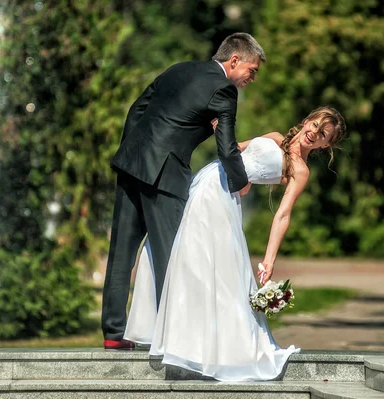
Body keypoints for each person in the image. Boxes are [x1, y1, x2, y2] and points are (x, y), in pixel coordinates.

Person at [125, 106, 347, 381]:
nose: (314, 133)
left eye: (323, 133)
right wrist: (231, 153)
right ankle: (178, 335)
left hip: (224, 198)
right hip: (209, 179)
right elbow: (235, 150)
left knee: (215, 268)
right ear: (306, 121)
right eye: (314, 124)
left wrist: (269, 260)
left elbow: (283, 214)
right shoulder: (276, 137)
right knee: (188, 256)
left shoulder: (300, 171)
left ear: (327, 144)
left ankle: (206, 346)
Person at [102, 33, 266, 350]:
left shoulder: (179, 68)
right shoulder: (224, 90)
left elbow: (137, 109)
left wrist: (131, 151)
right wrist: (240, 181)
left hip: (132, 163)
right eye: (252, 70)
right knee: (171, 254)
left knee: (122, 252)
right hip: (166, 174)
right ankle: (173, 337)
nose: (251, 78)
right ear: (235, 60)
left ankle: (113, 333)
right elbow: (227, 147)